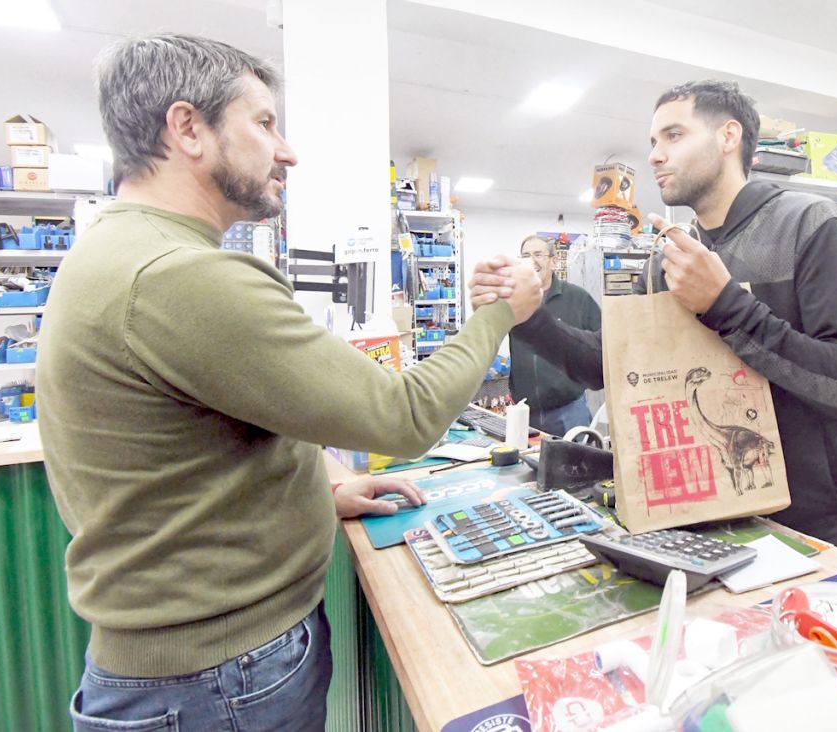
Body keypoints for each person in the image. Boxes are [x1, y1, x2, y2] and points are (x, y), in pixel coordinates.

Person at [37, 34, 540, 731]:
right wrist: (499, 315)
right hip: (217, 680)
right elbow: (405, 415)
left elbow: (191, 457)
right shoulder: (178, 276)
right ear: (188, 128)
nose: (288, 151)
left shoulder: (122, 250)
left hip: (195, 671)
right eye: (265, 123)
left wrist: (321, 494)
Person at [472, 80, 837, 557]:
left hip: (820, 537)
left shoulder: (809, 224)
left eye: (673, 135)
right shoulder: (667, 258)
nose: (654, 155)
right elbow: (605, 364)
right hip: (707, 528)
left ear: (728, 136)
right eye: (653, 141)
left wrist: (725, 304)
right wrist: (529, 317)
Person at [509, 235, 601, 436]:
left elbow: (603, 345)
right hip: (525, 412)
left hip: (569, 411)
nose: (532, 261)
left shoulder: (577, 297)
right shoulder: (514, 301)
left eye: (538, 254)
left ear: (553, 261)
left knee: (576, 456)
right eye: (526, 255)